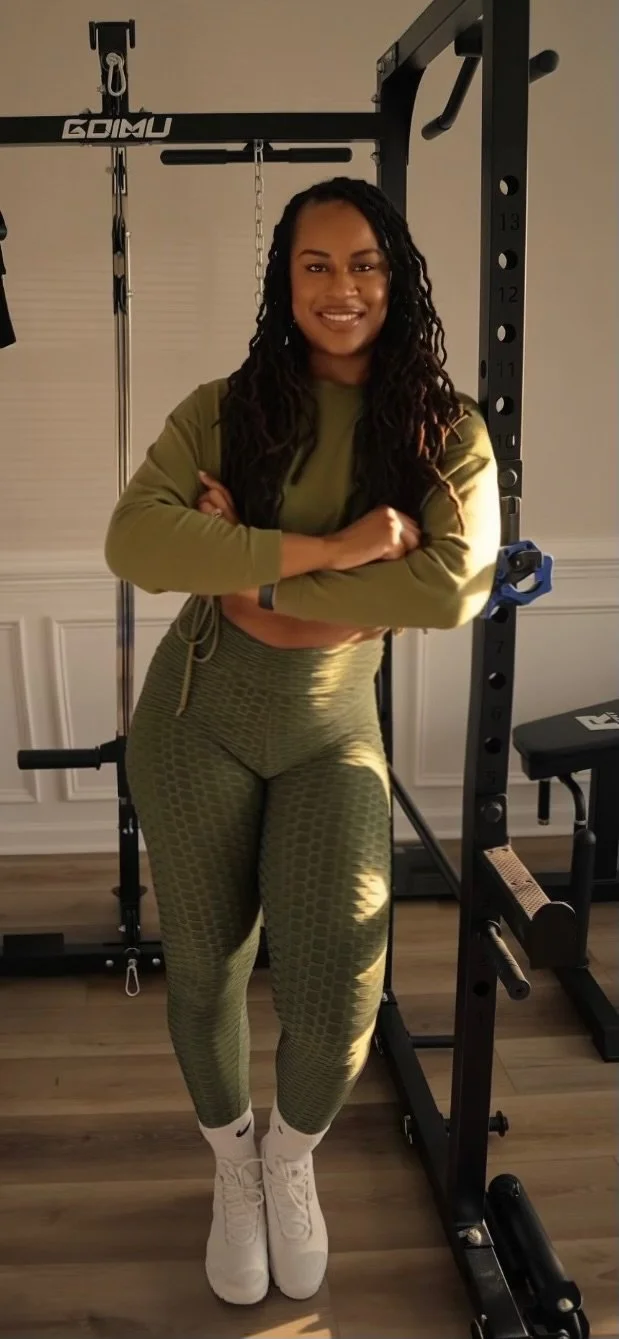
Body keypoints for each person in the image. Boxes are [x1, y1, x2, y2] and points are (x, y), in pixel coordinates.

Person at [104, 176, 501, 1308]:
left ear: (399, 277)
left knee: (340, 988)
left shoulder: (445, 428)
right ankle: (234, 1162)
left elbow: (453, 586)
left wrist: (251, 572)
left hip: (332, 730)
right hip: (196, 720)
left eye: (365, 263)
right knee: (208, 967)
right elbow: (136, 539)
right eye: (316, 265)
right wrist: (335, 551)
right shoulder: (225, 407)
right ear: (286, 283)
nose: (341, 288)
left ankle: (291, 1158)